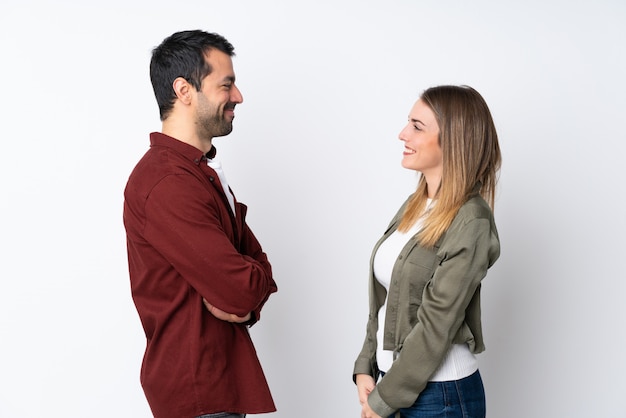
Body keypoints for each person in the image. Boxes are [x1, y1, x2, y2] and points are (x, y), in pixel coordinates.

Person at [123, 30, 278, 418]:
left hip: (216, 390)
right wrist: (247, 295)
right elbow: (242, 287)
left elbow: (254, 268)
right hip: (198, 396)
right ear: (184, 90)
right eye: (226, 85)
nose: (238, 96)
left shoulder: (199, 171)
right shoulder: (167, 183)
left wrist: (247, 298)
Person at [353, 85, 501, 418]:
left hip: (442, 397)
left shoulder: (471, 220)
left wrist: (383, 401)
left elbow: (437, 326)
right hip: (393, 385)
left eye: (417, 127)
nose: (402, 134)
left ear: (455, 140)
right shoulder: (416, 206)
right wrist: (367, 364)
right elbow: (386, 299)